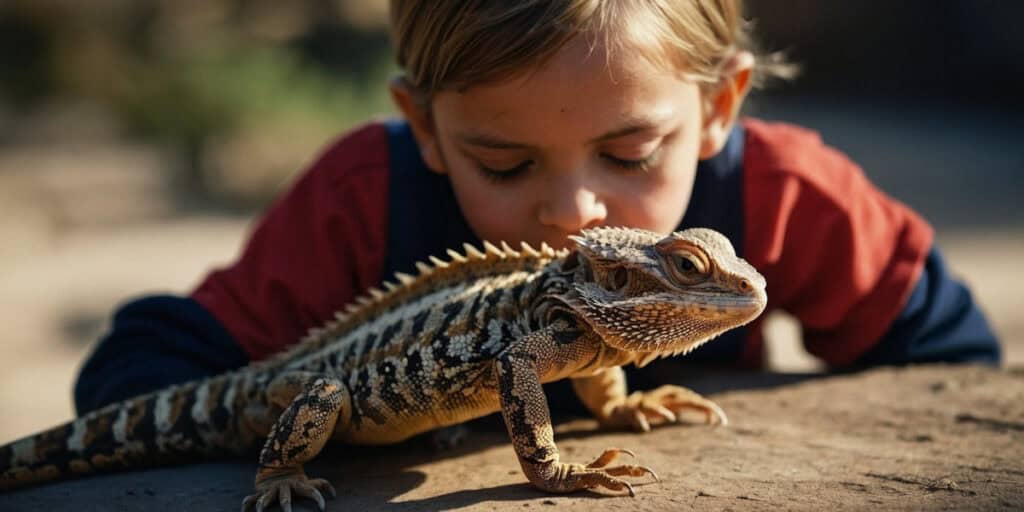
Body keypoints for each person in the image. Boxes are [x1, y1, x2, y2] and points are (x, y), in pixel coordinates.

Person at [74, 0, 999, 416]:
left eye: (630, 153)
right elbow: (144, 375)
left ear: (719, 106)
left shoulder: (790, 194)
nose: (574, 209)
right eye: (505, 162)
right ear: (425, 126)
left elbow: (955, 362)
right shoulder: (364, 195)